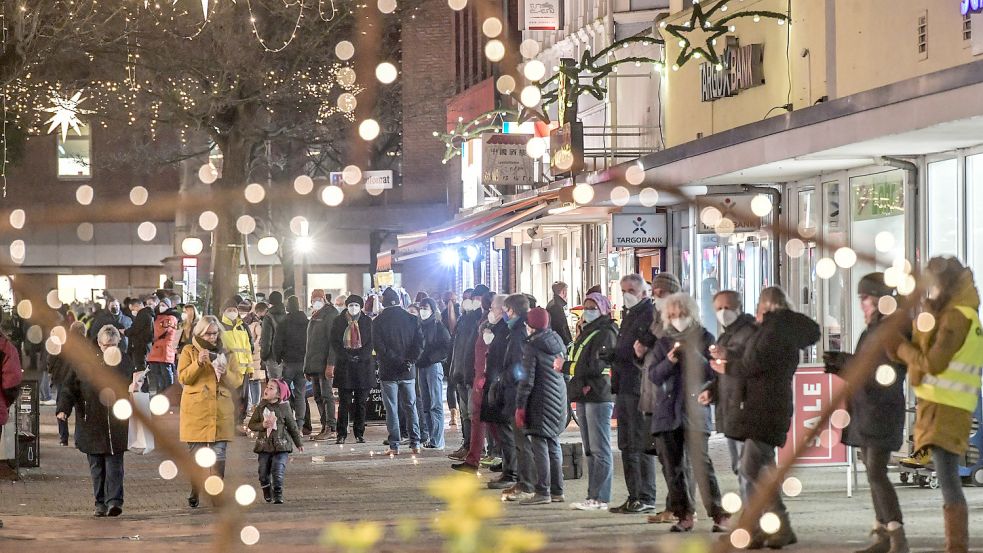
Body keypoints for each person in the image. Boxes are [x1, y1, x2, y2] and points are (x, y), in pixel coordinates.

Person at [892, 257, 982, 553]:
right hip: (946, 405)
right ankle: (956, 545)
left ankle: (957, 546)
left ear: (943, 284)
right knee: (947, 478)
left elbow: (933, 362)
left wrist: (902, 348)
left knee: (947, 479)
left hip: (946, 408)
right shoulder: (960, 312)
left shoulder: (957, 316)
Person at [823, 273, 909, 553]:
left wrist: (845, 363)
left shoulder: (891, 329)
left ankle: (895, 533)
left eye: (866, 298)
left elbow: (883, 372)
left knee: (876, 471)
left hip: (881, 408)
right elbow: (865, 368)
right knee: (873, 470)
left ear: (880, 298)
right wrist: (842, 365)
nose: (862, 304)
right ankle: (883, 533)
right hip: (867, 408)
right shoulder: (872, 329)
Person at [730, 286, 820, 549]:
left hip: (766, 407)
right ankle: (768, 528)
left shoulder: (773, 331)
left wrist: (729, 365)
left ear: (765, 305)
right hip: (769, 405)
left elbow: (754, 364)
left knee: (750, 468)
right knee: (763, 468)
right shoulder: (781, 330)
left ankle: (770, 526)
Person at [646, 293, 725, 532]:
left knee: (702, 465)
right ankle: (684, 515)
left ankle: (718, 514)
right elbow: (654, 376)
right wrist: (669, 361)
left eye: (681, 315)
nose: (677, 319)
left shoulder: (704, 337)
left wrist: (693, 355)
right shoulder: (663, 342)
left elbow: (712, 373)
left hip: (695, 411)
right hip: (668, 413)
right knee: (674, 468)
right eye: (672, 316)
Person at [56, 325, 135, 517]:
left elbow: (132, 385)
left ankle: (114, 501)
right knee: (97, 466)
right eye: (107, 345)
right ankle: (100, 502)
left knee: (115, 464)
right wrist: (63, 410)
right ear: (99, 344)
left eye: (114, 345)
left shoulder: (124, 361)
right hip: (91, 420)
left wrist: (136, 386)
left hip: (116, 422)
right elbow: (69, 388)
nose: (111, 349)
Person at [178, 315, 243, 509]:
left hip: (220, 409)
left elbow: (237, 380)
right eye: (208, 333)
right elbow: (183, 378)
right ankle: (196, 489)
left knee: (219, 454)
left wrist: (224, 373)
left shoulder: (227, 353)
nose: (212, 337)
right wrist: (198, 363)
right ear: (200, 332)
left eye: (215, 333)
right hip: (196, 410)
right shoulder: (189, 351)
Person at [609, 274, 658, 515]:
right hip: (624, 384)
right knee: (626, 444)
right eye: (623, 289)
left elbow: (644, 350)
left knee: (640, 443)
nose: (626, 294)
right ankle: (633, 495)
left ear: (644, 293)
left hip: (638, 386)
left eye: (630, 290)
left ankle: (646, 495)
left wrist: (623, 354)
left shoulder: (649, 315)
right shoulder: (630, 314)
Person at [702, 290, 757, 498]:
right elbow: (722, 373)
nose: (723, 313)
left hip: (745, 405)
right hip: (730, 406)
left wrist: (728, 356)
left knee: (748, 466)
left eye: (727, 308)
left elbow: (752, 364)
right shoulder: (726, 334)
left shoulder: (749, 332)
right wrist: (711, 391)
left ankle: (754, 514)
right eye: (718, 309)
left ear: (738, 307)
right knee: (739, 465)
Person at [567, 292, 618, 512]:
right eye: (586, 306)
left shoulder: (606, 332)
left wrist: (567, 367)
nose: (588, 310)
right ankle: (592, 495)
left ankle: (601, 497)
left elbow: (595, 364)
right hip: (585, 393)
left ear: (603, 309)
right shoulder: (588, 330)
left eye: (592, 306)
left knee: (600, 448)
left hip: (598, 394)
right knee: (590, 449)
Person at [515, 306, 567, 505]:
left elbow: (527, 380)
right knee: (553, 444)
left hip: (539, 400)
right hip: (557, 398)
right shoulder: (557, 340)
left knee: (539, 445)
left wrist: (520, 406)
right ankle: (557, 490)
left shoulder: (533, 346)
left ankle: (542, 491)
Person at [454, 293, 507, 472]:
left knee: (492, 422)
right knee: (479, 417)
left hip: (491, 381)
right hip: (480, 378)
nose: (490, 310)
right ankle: (474, 459)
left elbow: (498, 357)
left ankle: (507, 459)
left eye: (493, 308)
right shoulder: (486, 326)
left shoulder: (504, 330)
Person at [494, 294, 538, 501]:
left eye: (507, 310)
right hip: (514, 391)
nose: (505, 314)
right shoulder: (517, 330)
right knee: (519, 440)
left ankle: (526, 482)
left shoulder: (519, 332)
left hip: (517, 392)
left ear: (514, 310)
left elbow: (520, 366)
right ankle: (523, 481)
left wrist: (504, 378)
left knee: (521, 441)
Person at [373, 287, 424, 455]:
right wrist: (409, 361)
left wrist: (395, 359)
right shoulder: (412, 319)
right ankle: (415, 442)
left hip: (388, 371)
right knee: (411, 406)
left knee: (392, 408)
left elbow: (379, 347)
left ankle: (394, 445)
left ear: (384, 302)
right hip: (408, 371)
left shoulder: (378, 321)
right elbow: (419, 344)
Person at [447, 284, 490, 461]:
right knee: (465, 412)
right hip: (460, 372)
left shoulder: (482, 321)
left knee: (474, 413)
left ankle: (479, 449)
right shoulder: (465, 320)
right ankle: (467, 445)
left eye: (474, 298)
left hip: (472, 374)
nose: (470, 302)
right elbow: (455, 339)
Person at [247, 379, 304, 504]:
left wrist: (298, 443)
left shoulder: (284, 407)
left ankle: (278, 493)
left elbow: (292, 426)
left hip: (281, 445)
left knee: (278, 469)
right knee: (263, 471)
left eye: (271, 388)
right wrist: (262, 425)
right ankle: (266, 488)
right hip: (264, 446)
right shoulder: (260, 407)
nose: (266, 389)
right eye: (267, 387)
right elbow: (251, 424)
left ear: (279, 394)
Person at [331, 294, 374, 444]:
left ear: (361, 307)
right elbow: (335, 342)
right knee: (344, 402)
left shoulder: (367, 321)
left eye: (356, 305)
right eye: (350, 305)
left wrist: (360, 357)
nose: (353, 308)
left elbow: (371, 343)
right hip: (345, 367)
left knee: (361, 403)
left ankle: (359, 433)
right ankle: (341, 433)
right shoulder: (338, 321)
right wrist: (347, 356)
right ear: (346, 306)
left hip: (363, 367)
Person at [417, 297, 452, 449]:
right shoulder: (418, 326)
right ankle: (431, 437)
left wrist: (431, 358)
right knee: (425, 403)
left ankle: (437, 440)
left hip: (433, 365)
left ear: (432, 310)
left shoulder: (438, 327)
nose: (423, 311)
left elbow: (446, 347)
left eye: (426, 308)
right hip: (421, 366)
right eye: (421, 308)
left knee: (435, 404)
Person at [306, 289, 338, 441]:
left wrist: (331, 364)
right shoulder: (315, 314)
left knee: (327, 396)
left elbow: (333, 343)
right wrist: (307, 366)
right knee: (318, 396)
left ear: (324, 298)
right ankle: (325, 425)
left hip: (324, 364)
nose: (315, 301)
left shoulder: (330, 315)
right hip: (314, 365)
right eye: (313, 299)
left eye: (318, 298)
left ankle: (331, 427)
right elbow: (309, 343)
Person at [274, 296, 310, 433]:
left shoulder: (284, 323)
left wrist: (278, 359)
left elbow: (277, 343)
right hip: (303, 363)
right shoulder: (306, 322)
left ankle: (285, 422)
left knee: (283, 394)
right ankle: (300, 425)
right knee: (301, 394)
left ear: (289, 307)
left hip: (288, 363)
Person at [49, 321, 88, 446]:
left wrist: (54, 374)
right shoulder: (87, 345)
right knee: (80, 409)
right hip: (79, 380)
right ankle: (79, 440)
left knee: (62, 407)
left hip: (62, 379)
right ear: (84, 332)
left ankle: (63, 438)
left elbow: (52, 359)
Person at [220, 297, 255, 426]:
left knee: (243, 399)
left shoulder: (242, 327)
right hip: (228, 370)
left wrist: (250, 369)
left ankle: (239, 422)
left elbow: (247, 349)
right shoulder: (221, 327)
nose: (232, 312)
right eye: (229, 310)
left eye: (234, 309)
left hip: (243, 370)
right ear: (224, 311)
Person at [146, 298, 179, 394]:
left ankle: (168, 396)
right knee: (158, 378)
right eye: (160, 305)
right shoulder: (158, 317)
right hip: (157, 352)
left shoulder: (170, 318)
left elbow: (158, 332)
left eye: (164, 305)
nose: (161, 307)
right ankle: (161, 396)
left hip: (164, 351)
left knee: (165, 378)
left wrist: (149, 336)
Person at [245, 302, 270, 418]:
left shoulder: (253, 322)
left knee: (253, 381)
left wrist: (253, 346)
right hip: (251, 354)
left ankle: (254, 405)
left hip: (253, 355)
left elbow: (259, 337)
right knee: (251, 381)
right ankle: (253, 405)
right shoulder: (255, 322)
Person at [441, 291, 461, 427]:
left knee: (453, 385)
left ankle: (455, 414)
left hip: (453, 354)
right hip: (450, 354)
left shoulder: (459, 315)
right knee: (453, 385)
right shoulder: (446, 315)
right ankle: (455, 414)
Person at [124, 295, 155, 374]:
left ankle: (143, 385)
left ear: (137, 306)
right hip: (146, 345)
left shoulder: (142, 315)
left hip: (141, 345)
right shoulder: (148, 313)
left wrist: (125, 332)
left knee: (141, 368)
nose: (132, 312)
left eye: (132, 309)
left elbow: (136, 329)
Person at [261, 291, 288, 379]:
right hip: (287, 356)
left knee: (275, 384)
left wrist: (264, 356)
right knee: (285, 386)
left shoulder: (268, 317)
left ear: (270, 303)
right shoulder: (287, 315)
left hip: (273, 356)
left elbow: (266, 340)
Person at [546, 281, 573, 346]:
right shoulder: (557, 306)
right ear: (563, 292)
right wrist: (568, 342)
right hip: (559, 342)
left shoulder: (551, 303)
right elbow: (561, 327)